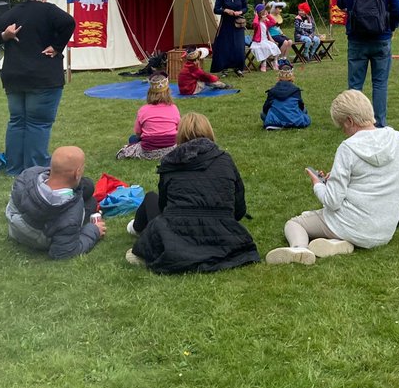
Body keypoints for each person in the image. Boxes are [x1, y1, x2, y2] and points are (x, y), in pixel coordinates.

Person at [265, 90, 399, 266]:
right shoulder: (398, 139)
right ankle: (338, 244)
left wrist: (318, 184)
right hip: (385, 229)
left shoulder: (348, 148)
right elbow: (376, 179)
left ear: (349, 121)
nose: (343, 131)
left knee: (295, 224)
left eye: (342, 126)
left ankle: (299, 249)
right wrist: (335, 179)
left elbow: (332, 201)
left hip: (353, 224)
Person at [125, 113, 260, 274]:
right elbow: (239, 210)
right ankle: (137, 227)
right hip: (222, 233)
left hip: (178, 233)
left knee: (150, 198)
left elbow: (164, 207)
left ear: (180, 135)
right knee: (153, 201)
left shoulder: (170, 162)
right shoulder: (224, 159)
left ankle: (136, 227)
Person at [0, 0, 76, 177]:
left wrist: (4, 36)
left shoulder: (13, 13)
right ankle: (35, 169)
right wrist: (57, 46)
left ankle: (14, 167)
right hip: (42, 77)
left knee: (17, 121)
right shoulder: (50, 11)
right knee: (38, 123)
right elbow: (69, 22)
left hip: (14, 77)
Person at [337, 0, 399, 128]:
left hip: (357, 39)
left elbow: (340, 3)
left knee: (355, 84)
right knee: (380, 83)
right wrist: (392, 26)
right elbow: (398, 7)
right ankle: (379, 122)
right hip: (381, 38)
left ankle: (354, 122)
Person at [5, 145, 105, 260]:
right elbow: (64, 252)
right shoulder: (70, 216)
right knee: (91, 203)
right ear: (77, 173)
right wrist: (94, 230)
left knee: (87, 186)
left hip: (18, 226)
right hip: (40, 236)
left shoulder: (27, 176)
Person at [117, 75, 181, 160]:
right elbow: (179, 129)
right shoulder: (173, 108)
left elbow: (138, 133)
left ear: (150, 93)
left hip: (149, 150)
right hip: (171, 149)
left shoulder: (143, 110)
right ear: (168, 92)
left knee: (132, 139)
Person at [212, 0, 248, 76]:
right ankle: (225, 69)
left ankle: (238, 68)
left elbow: (245, 7)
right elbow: (216, 9)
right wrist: (225, 10)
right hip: (226, 24)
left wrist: (240, 12)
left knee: (239, 46)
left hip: (238, 24)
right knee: (225, 46)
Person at [261, 65, 311, 129]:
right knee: (304, 111)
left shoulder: (272, 90)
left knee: (263, 114)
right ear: (292, 77)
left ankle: (276, 123)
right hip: (294, 119)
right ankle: (292, 122)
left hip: (275, 120)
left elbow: (265, 108)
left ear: (278, 77)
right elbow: (301, 107)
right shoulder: (296, 90)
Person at [250, 4, 283, 72]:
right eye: (263, 13)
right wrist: (256, 16)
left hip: (265, 40)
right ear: (260, 14)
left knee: (274, 46)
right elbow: (255, 24)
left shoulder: (265, 22)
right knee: (264, 47)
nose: (265, 15)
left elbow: (273, 22)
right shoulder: (258, 23)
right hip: (258, 41)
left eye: (265, 13)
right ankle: (264, 64)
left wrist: (268, 15)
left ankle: (275, 62)